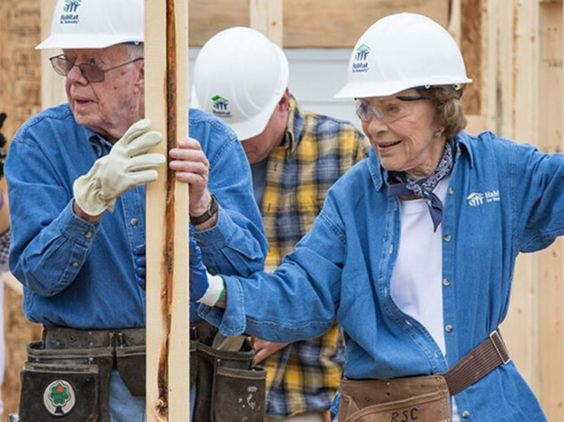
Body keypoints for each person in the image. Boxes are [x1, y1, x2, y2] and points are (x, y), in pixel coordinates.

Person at [186, 12, 558, 421]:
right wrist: (211, 288)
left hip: (489, 406)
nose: (374, 127)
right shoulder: (353, 199)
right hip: (388, 410)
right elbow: (301, 291)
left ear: (441, 105)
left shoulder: (498, 171)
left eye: (393, 108)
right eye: (365, 109)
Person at [5, 0, 267, 421]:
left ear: (143, 69)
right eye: (67, 63)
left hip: (193, 375)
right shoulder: (39, 145)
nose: (73, 79)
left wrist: (203, 208)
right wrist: (85, 206)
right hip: (82, 378)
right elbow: (37, 276)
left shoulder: (208, 141)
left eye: (91, 65)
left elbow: (248, 271)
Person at [192, 27, 370, 422]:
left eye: (246, 136)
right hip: (208, 390)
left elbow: (369, 275)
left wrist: (284, 319)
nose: (234, 148)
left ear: (282, 102)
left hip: (307, 393)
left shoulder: (344, 152)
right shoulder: (196, 157)